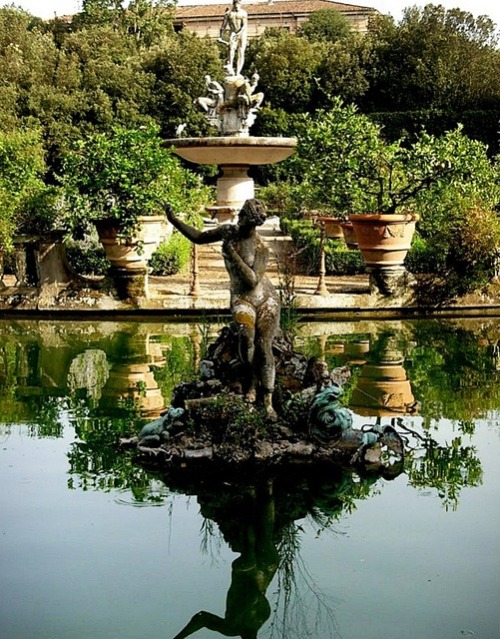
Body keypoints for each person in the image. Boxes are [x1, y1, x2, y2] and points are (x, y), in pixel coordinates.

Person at [165, 199, 280, 420]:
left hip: (266, 300)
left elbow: (253, 280)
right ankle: (251, 381)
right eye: (240, 215)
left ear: (252, 222)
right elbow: (198, 237)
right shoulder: (228, 231)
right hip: (242, 300)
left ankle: (267, 401)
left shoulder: (261, 248)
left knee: (263, 346)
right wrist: (174, 220)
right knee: (247, 339)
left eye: (243, 217)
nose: (239, 220)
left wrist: (232, 253)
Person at [218, 0, 248, 76]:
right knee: (231, 49)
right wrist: (220, 36)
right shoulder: (228, 14)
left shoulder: (243, 13)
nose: (237, 5)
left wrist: (239, 34)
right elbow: (223, 26)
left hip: (242, 33)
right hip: (233, 32)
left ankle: (238, 72)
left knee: (241, 52)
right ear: (233, 4)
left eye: (238, 4)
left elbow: (244, 26)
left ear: (240, 4)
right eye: (236, 4)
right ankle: (230, 67)